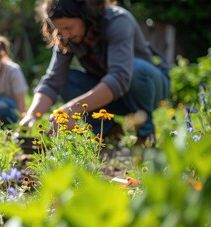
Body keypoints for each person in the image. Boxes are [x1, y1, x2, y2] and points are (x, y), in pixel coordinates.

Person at [20, 0, 170, 144]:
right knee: (67, 80)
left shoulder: (118, 21)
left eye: (68, 28)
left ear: (85, 16)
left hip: (149, 88)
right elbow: (53, 81)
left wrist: (69, 110)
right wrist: (32, 116)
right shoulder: (65, 37)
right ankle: (108, 131)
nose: (64, 35)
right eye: (59, 30)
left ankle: (146, 135)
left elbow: (120, 77)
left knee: (135, 68)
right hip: (111, 95)